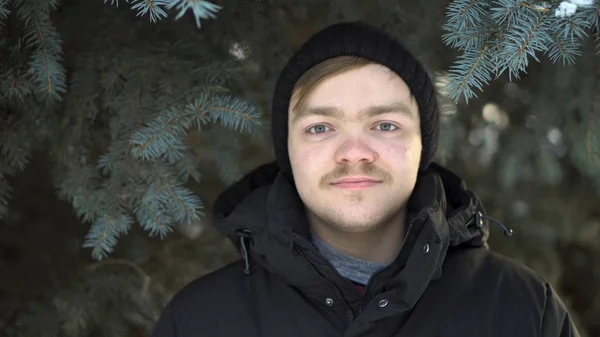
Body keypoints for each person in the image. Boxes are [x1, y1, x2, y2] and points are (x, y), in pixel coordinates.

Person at [150, 21, 580, 337]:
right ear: (289, 152)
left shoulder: (523, 311)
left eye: (385, 125)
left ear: (423, 148)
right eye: (321, 127)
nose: (354, 151)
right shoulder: (198, 321)